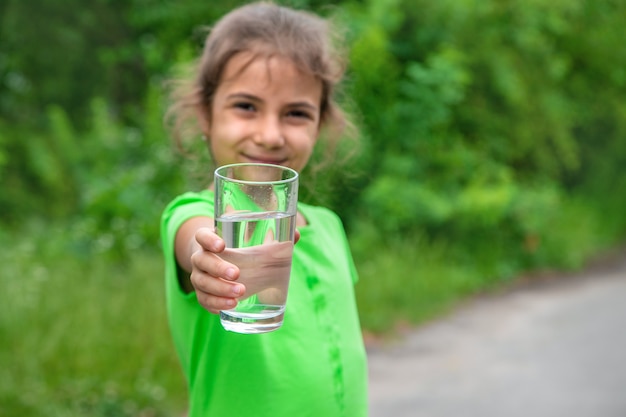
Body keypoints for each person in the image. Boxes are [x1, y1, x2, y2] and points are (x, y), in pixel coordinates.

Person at [160, 2, 367, 416]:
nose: (270, 135)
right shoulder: (192, 213)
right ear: (205, 114)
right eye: (246, 106)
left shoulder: (329, 227)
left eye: (295, 113)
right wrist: (210, 259)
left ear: (320, 124)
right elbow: (195, 240)